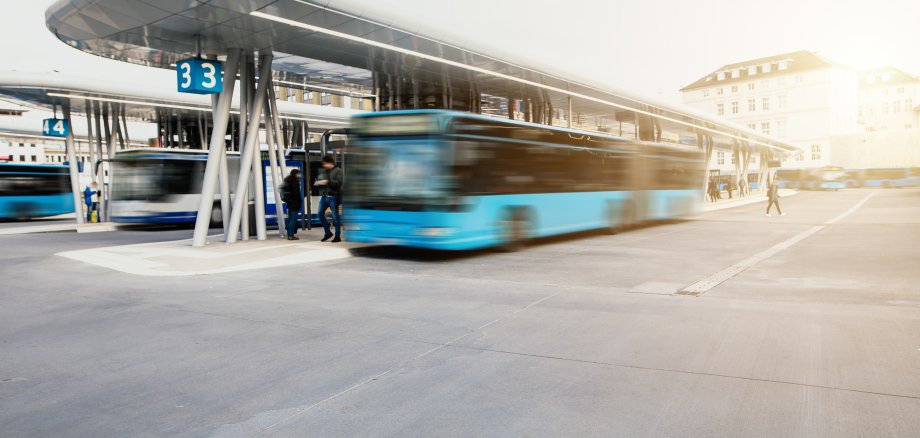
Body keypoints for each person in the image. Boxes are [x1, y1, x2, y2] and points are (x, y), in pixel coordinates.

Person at [315, 154, 343, 242]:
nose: (323, 165)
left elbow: (338, 183)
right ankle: (328, 233)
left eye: (324, 163)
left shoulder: (338, 171)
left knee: (335, 217)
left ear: (329, 162)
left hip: (334, 196)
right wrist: (318, 184)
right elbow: (322, 183)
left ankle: (337, 236)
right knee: (319, 214)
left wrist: (327, 181)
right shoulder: (325, 171)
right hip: (324, 196)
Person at [281, 169, 302, 240]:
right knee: (293, 219)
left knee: (290, 219)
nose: (300, 175)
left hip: (289, 203)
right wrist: (300, 201)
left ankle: (289, 234)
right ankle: (291, 235)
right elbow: (296, 194)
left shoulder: (288, 181)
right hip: (295, 203)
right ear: (295, 174)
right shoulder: (295, 182)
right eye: (299, 174)